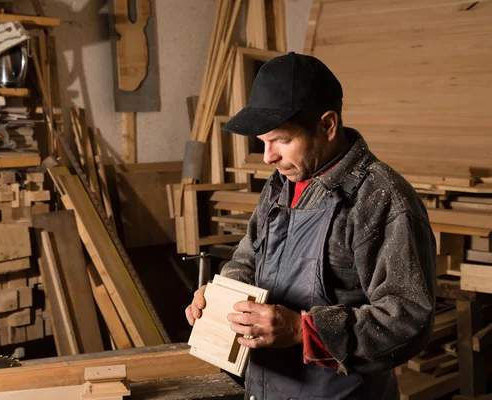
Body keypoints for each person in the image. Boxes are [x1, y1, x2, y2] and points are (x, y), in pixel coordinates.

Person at [185, 52, 436, 400]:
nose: (268, 157)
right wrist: (221, 299)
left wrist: (301, 330)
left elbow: (409, 320)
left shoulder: (380, 198)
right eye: (263, 142)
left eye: (282, 140)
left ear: (328, 125)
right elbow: (248, 258)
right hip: (267, 387)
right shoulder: (281, 183)